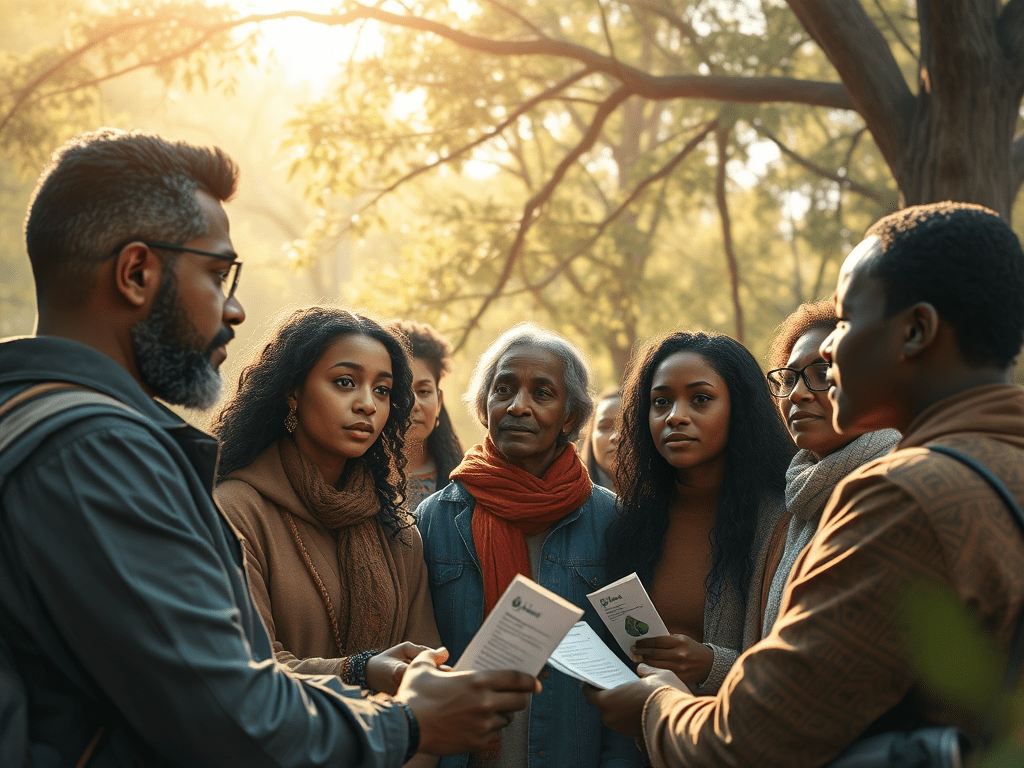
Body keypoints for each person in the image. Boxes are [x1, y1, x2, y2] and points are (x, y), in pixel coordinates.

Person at [0, 128, 536, 768]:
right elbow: (229, 713)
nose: (235, 310)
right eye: (217, 274)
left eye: (385, 390)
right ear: (137, 271)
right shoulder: (100, 451)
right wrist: (408, 725)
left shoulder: (33, 418)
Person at [585, 202, 1024, 767]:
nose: (831, 348)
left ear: (915, 331)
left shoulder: (901, 498)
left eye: (847, 320)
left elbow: (751, 741)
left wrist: (654, 706)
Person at [417, 323, 643, 768]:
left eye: (542, 393)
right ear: (485, 406)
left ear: (571, 417)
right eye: (504, 389)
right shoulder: (435, 519)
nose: (518, 406)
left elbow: (626, 670)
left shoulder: (612, 521)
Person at [213, 308, 441, 696]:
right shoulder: (234, 512)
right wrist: (360, 671)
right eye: (345, 382)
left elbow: (426, 672)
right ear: (293, 393)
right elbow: (247, 667)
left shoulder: (397, 530)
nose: (367, 403)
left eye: (382, 390)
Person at [605, 331, 795, 694]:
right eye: (660, 402)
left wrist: (712, 664)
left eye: (701, 399)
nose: (676, 417)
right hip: (637, 737)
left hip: (731, 737)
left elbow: (798, 668)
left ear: (739, 407)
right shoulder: (631, 520)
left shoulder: (782, 521)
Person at [758, 299, 899, 637]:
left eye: (823, 374)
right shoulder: (799, 499)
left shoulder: (891, 489)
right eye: (788, 378)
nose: (796, 394)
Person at [389, 320, 465, 511]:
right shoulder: (352, 478)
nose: (412, 404)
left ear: (439, 402)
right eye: (399, 392)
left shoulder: (465, 483)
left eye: (423, 391)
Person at [580, 388, 621, 493]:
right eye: (605, 427)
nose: (615, 436)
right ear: (591, 437)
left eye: (627, 426)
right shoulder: (571, 500)